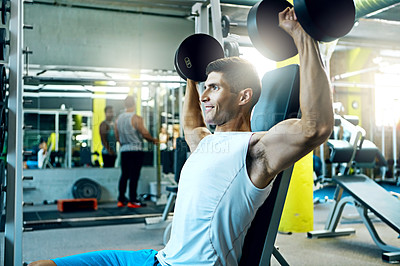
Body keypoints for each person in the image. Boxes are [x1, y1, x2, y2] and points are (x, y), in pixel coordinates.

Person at [28, 7, 333, 266]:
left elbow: (315, 127)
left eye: (214, 88)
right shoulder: (205, 141)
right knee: (43, 265)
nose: (204, 95)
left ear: (244, 97)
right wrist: (192, 74)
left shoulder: (256, 151)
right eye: (205, 87)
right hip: (155, 258)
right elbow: (191, 123)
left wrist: (301, 34)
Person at [114, 95, 158, 208]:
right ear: (134, 104)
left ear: (124, 105)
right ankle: (133, 200)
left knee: (124, 175)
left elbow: (117, 136)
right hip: (136, 151)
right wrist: (153, 140)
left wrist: (124, 144)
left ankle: (121, 199)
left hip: (124, 150)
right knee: (134, 176)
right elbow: (144, 133)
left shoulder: (118, 119)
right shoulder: (136, 118)